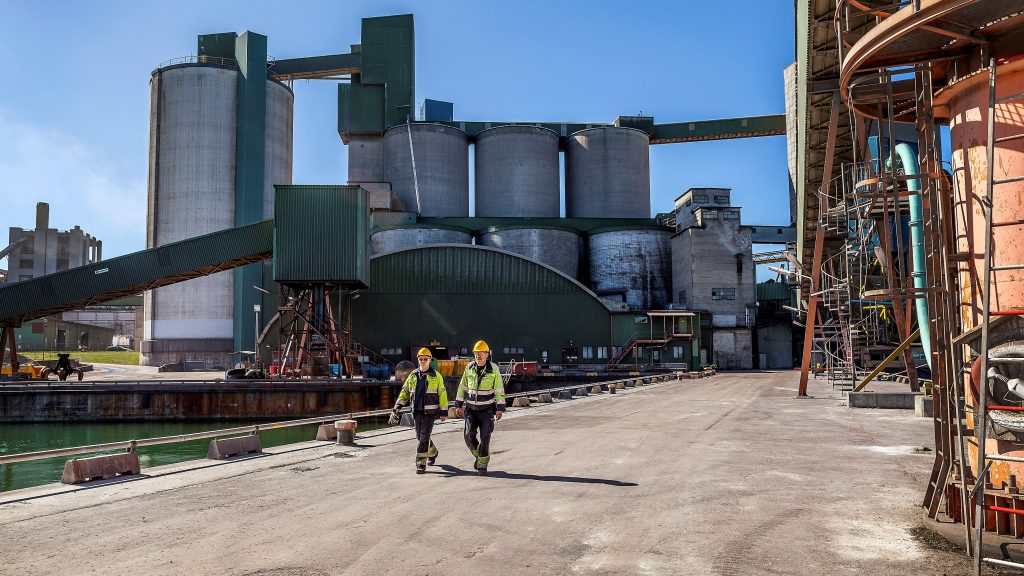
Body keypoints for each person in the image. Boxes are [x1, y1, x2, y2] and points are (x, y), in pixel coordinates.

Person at [392, 348, 448, 474]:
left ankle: (421, 463)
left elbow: (442, 395)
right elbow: (405, 392)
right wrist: (397, 407)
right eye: (420, 359)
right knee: (420, 436)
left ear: (429, 360)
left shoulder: (436, 376)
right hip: (416, 411)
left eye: (425, 359)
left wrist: (444, 412)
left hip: (430, 412)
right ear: (418, 360)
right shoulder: (412, 376)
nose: (423, 361)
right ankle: (433, 452)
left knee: (423, 438)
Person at [453, 340, 505, 475]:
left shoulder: (493, 369)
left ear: (486, 354)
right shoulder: (469, 367)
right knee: (468, 435)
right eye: (476, 353)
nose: (478, 356)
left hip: (487, 410)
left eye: (481, 353)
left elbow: (499, 389)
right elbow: (462, 387)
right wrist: (458, 404)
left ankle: (482, 465)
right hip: (470, 409)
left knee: (485, 436)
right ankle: (480, 455)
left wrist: (499, 408)